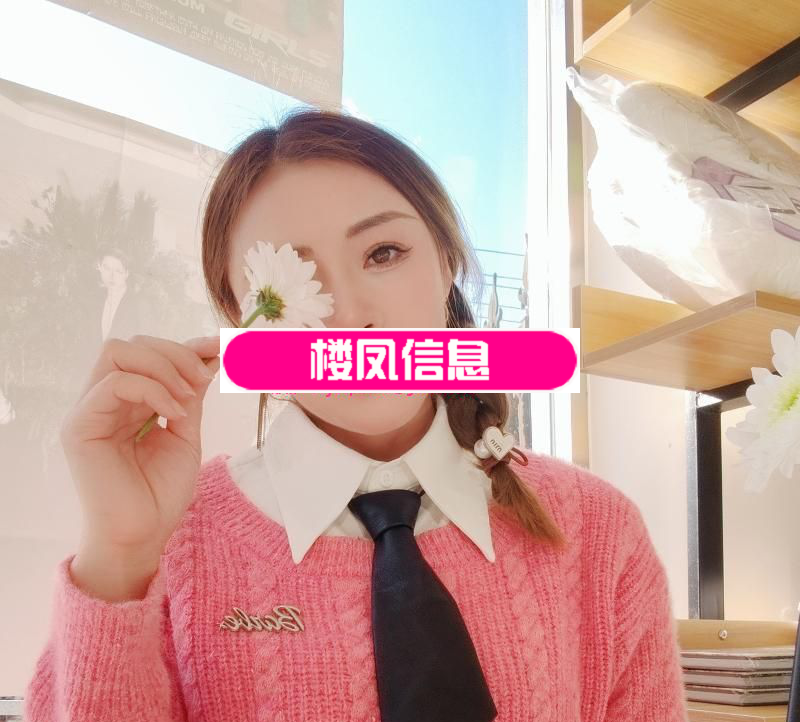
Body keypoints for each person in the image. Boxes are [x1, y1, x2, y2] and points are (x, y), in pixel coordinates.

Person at [23, 108, 689, 721]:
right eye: (288, 286)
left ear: (447, 263)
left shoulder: (598, 531)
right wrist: (120, 556)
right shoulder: (166, 544)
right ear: (240, 318)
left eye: (383, 254)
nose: (347, 318)